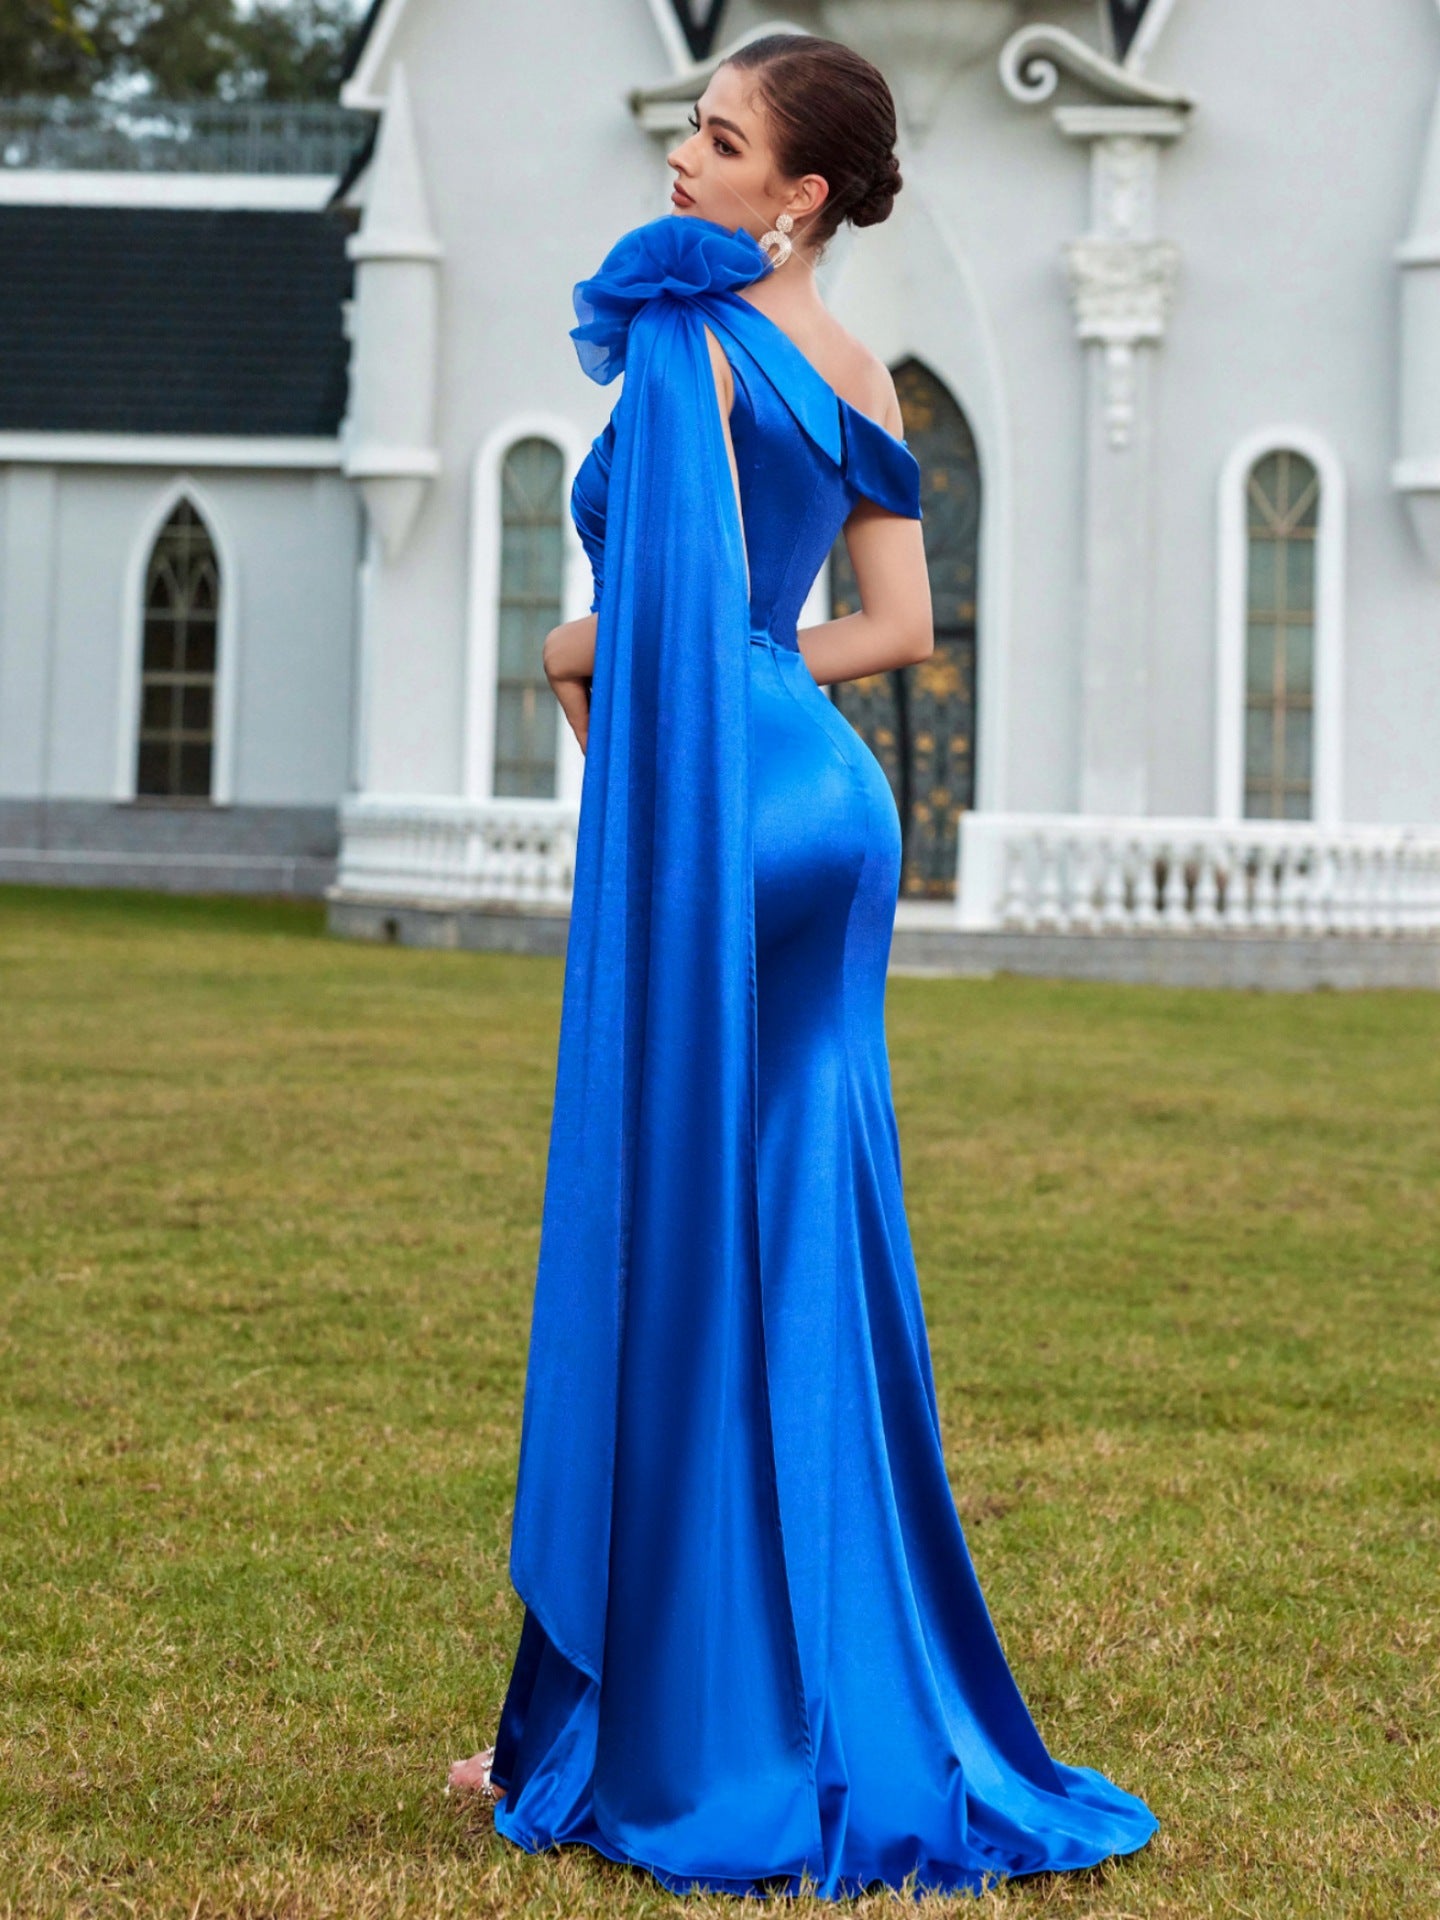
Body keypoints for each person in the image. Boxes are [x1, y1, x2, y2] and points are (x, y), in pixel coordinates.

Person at [448, 32, 1159, 1901]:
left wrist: (585, 655)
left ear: (800, 192)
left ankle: (668, 1727)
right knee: (813, 1234)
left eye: (720, 136)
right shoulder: (856, 368)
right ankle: (849, 1684)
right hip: (835, 813)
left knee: (685, 1240)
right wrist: (750, 662)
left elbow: (656, 628)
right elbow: (902, 625)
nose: (683, 158)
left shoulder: (689, 337)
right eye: (693, 127)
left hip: (725, 802)